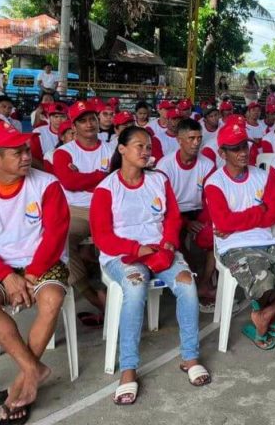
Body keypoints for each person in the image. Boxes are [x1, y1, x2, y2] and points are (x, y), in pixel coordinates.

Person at [90, 126, 210, 405]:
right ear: (122, 149)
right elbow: (103, 236)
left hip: (159, 249)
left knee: (187, 285)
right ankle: (128, 368)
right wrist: (136, 249)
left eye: (148, 147)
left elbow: (172, 218)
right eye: (139, 146)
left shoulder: (158, 180)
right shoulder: (107, 188)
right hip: (121, 254)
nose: (146, 152)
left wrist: (168, 243)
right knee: (134, 289)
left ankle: (190, 357)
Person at [0, 121, 70, 422]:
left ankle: (22, 382)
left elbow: (56, 233)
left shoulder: (46, 184)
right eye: (16, 152)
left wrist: (32, 273)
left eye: (25, 150)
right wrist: (7, 275)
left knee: (51, 300)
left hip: (43, 263)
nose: (25, 156)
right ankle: (34, 368)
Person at [203, 121, 275, 350]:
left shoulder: (263, 176)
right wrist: (259, 211)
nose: (243, 152)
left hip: (268, 241)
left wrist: (240, 220)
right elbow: (224, 222)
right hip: (234, 247)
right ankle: (266, 313)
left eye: (244, 146)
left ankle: (265, 314)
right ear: (222, 153)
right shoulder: (215, 182)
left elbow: (272, 215)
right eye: (235, 148)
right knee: (266, 281)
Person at [52, 101, 114, 318]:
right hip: (75, 210)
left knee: (122, 237)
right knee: (61, 240)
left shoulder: (112, 148)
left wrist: (84, 178)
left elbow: (117, 181)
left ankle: (115, 292)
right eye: (82, 120)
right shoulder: (63, 152)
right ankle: (94, 297)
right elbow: (69, 182)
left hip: (108, 208)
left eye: (92, 119)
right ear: (74, 126)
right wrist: (101, 176)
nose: (89, 124)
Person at [156, 118, 216, 308]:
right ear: (179, 140)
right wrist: (185, 222)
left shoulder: (207, 164)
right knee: (175, 237)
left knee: (216, 235)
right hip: (173, 212)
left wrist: (204, 223)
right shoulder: (165, 165)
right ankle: (191, 279)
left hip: (198, 210)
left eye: (199, 138)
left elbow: (210, 200)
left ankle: (204, 283)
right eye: (191, 138)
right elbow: (163, 202)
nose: (196, 142)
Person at [30, 102, 68, 171]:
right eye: (55, 116)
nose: (59, 120)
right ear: (49, 117)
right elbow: (33, 158)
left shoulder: (73, 132)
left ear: (67, 118)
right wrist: (49, 172)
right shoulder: (38, 132)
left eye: (62, 117)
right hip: (45, 171)